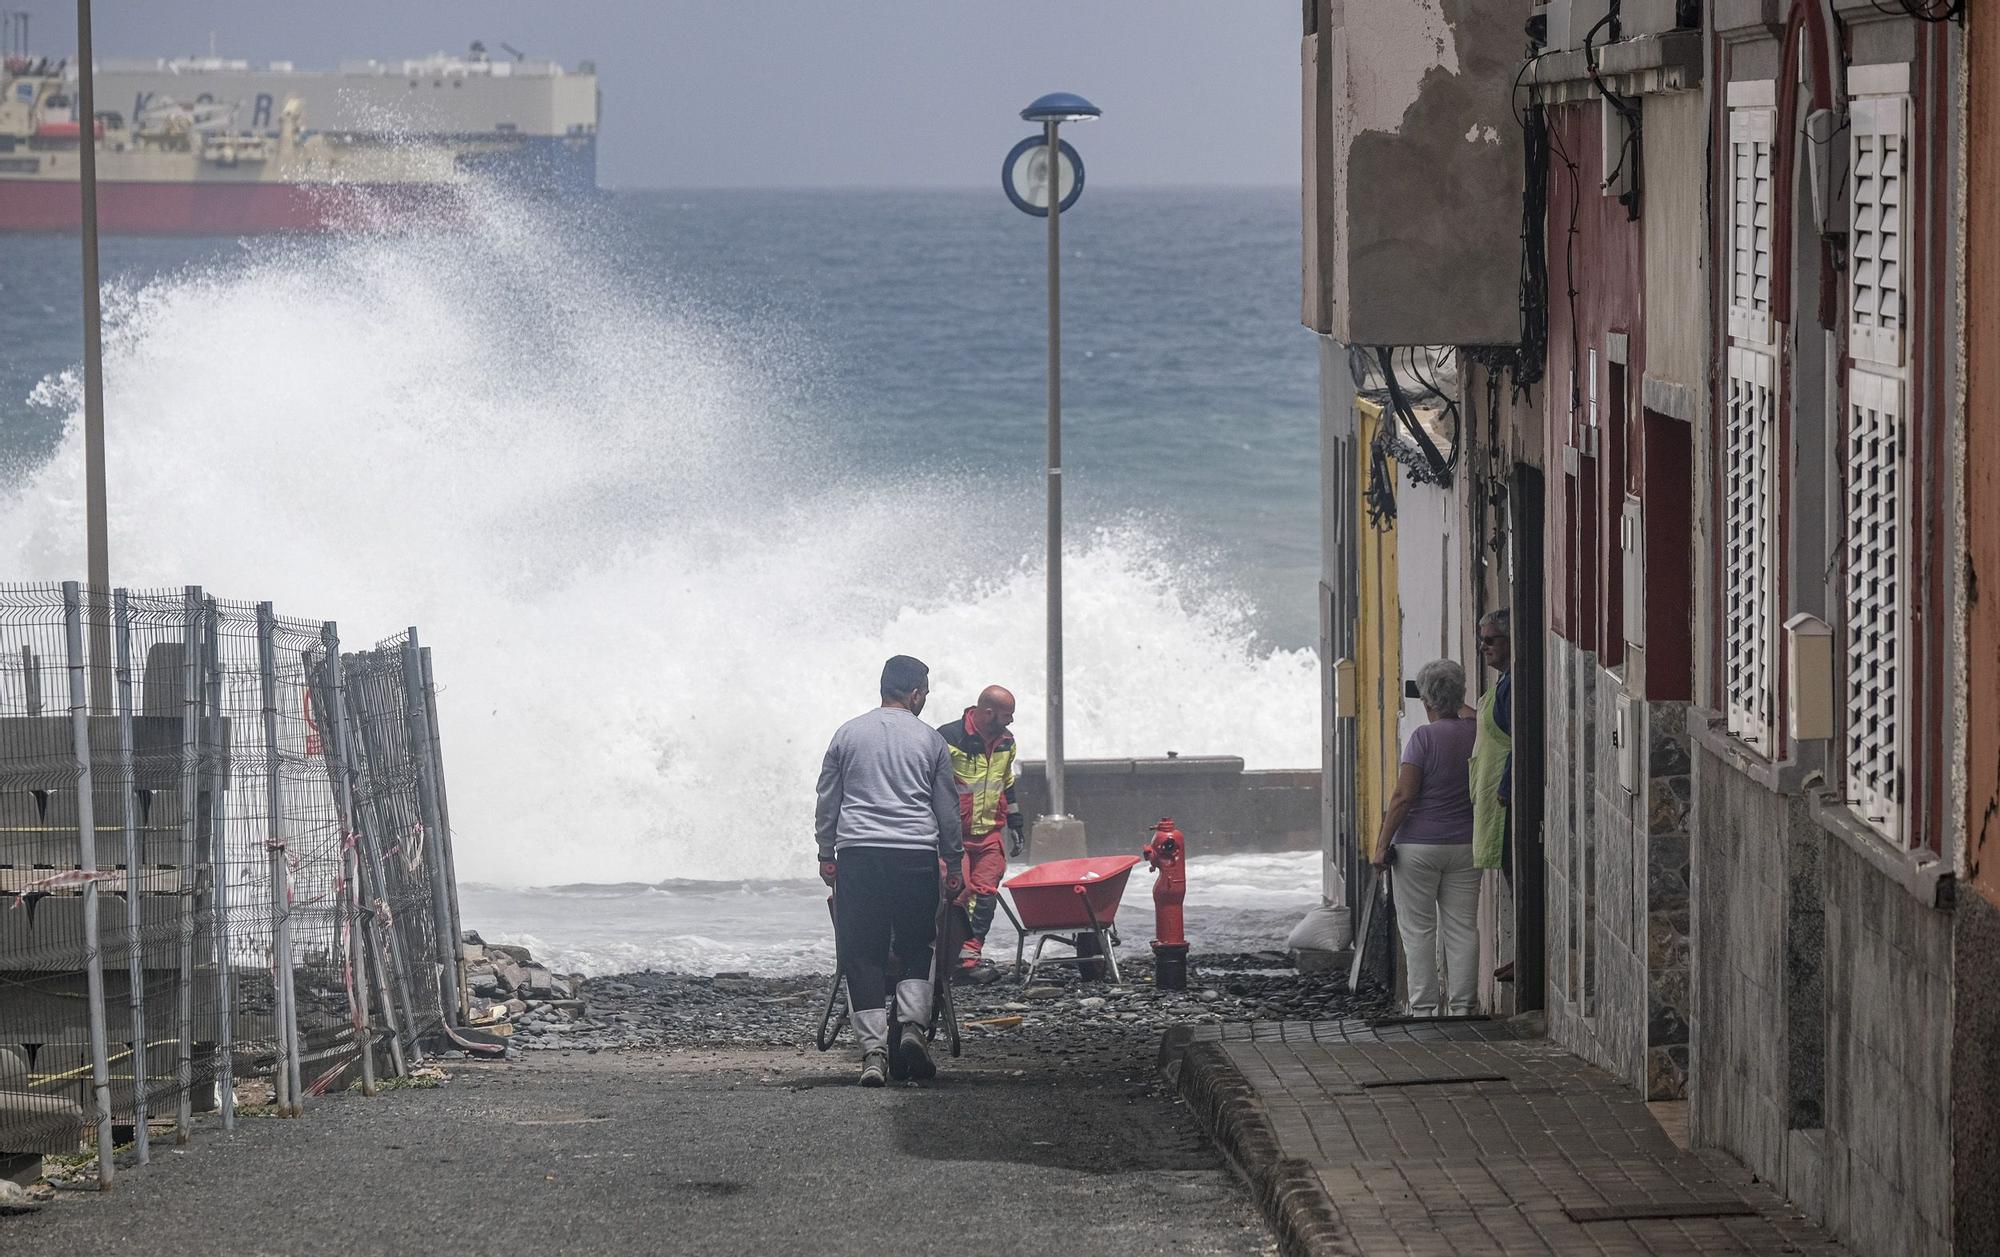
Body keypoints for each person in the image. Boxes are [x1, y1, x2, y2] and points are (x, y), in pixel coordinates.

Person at [815, 655, 965, 1086]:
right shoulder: (930, 740)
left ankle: (873, 1055)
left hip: (859, 855)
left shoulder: (847, 733)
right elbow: (946, 808)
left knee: (863, 953)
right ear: (915, 693)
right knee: (918, 944)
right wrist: (952, 861)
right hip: (915, 855)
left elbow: (828, 798)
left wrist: (827, 851)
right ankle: (913, 1029)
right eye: (926, 692)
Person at [1373, 658, 1481, 1016]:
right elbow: (1465, 711)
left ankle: (1423, 1010)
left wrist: (1381, 845)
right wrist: (1449, 697)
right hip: (1466, 845)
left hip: (1417, 847)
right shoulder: (1475, 730)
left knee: (1419, 931)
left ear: (1426, 701)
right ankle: (1464, 1008)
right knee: (1462, 927)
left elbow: (1403, 797)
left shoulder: (1422, 738)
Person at [938, 685, 1022, 979]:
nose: (1010, 721)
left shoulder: (1006, 743)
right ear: (988, 712)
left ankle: (968, 960)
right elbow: (927, 784)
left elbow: (1006, 783)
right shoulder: (948, 739)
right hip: (952, 837)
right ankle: (943, 959)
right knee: (955, 894)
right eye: (1006, 715)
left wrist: (1016, 823)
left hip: (988, 834)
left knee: (985, 896)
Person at [1470, 609, 1514, 979]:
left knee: (1517, 878)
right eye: (1481, 640)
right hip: (1496, 802)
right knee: (1511, 879)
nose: (1484, 648)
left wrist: (1506, 786)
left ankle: (1525, 958)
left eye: (1490, 640)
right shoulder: (1501, 686)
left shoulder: (1512, 688)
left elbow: (1520, 737)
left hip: (1505, 804)